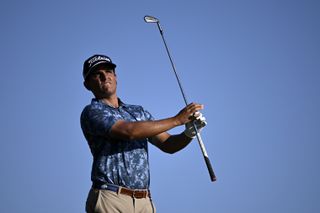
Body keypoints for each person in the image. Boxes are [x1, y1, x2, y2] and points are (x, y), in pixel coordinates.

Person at [80, 54, 207, 213]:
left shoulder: (137, 111)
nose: (105, 76)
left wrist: (188, 133)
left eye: (108, 71)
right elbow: (128, 131)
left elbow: (168, 145)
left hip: (144, 202)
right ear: (87, 84)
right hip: (110, 198)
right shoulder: (92, 112)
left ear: (116, 76)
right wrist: (177, 120)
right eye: (97, 74)